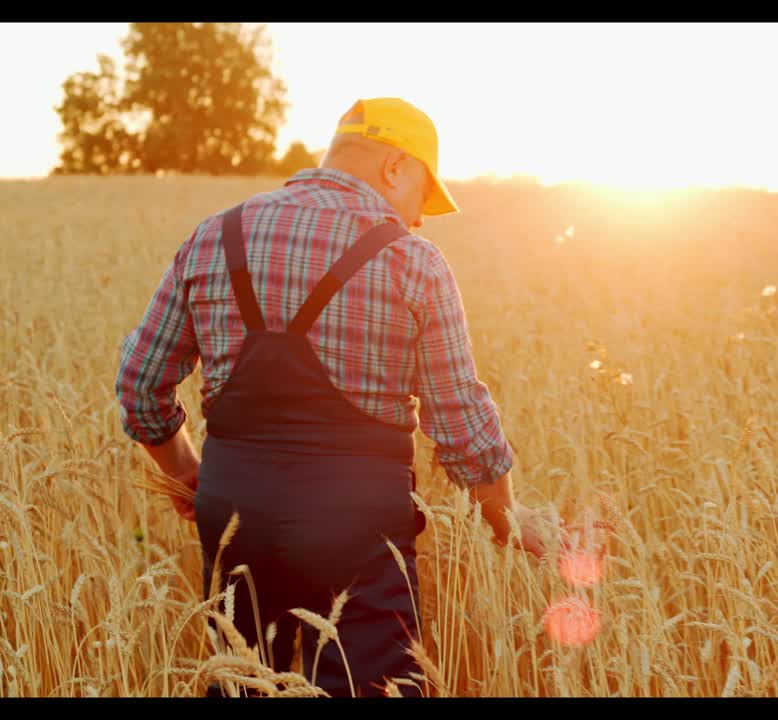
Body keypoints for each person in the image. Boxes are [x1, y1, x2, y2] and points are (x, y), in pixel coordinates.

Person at [115, 97, 551, 697]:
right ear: (395, 166)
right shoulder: (414, 260)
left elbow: (140, 384)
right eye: (423, 196)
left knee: (240, 681)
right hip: (361, 527)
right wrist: (509, 520)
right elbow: (462, 426)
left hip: (234, 512)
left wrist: (189, 471)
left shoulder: (216, 234)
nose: (420, 219)